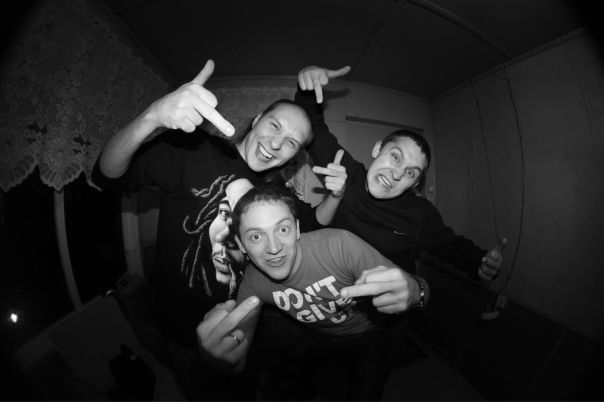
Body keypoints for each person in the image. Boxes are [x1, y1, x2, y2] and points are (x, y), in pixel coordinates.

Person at [93, 59, 346, 400]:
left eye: (290, 142)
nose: (275, 144)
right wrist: (151, 117)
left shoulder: (277, 194)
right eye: (274, 126)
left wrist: (336, 195)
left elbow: (315, 222)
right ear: (257, 119)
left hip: (243, 325)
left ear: (293, 157)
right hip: (182, 332)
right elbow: (108, 175)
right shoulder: (195, 149)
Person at [197, 183, 430, 401]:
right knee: (280, 388)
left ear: (297, 229)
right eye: (256, 236)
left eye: (283, 229)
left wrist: (416, 292)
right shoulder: (253, 283)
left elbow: (420, 289)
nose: (274, 248)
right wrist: (223, 360)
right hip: (319, 334)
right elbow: (238, 354)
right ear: (241, 244)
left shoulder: (340, 245)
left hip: (369, 335)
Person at [296, 64, 506, 284]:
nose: (397, 173)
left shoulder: (419, 213)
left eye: (410, 172)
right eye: (396, 157)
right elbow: (312, 128)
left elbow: (451, 247)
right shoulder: (345, 170)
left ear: (414, 184)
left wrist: (481, 263)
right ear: (377, 149)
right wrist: (308, 88)